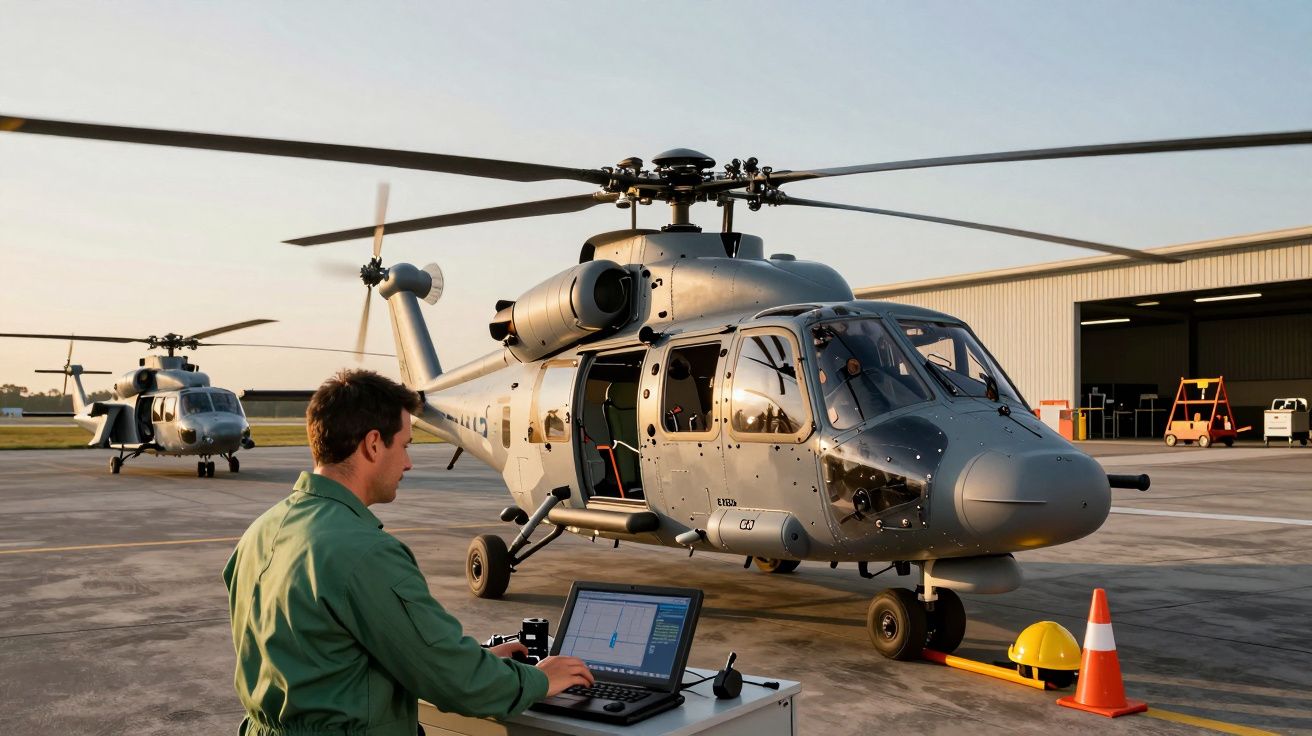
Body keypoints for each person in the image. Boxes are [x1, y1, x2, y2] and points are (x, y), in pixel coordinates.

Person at [223, 369, 593, 735]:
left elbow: (329, 661)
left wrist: (479, 662)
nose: (408, 462)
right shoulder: (365, 552)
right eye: (404, 445)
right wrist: (538, 680)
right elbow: (453, 680)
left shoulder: (261, 531)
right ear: (372, 444)